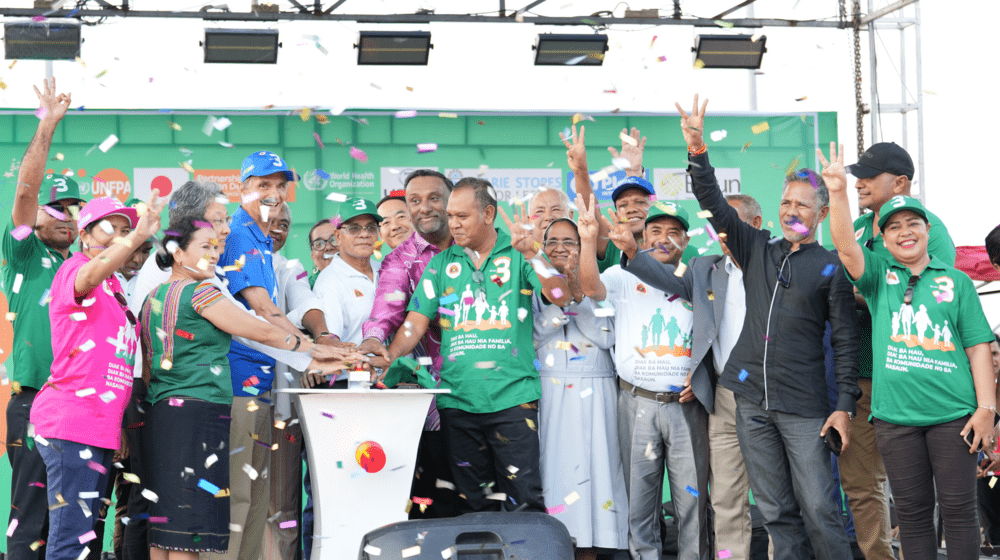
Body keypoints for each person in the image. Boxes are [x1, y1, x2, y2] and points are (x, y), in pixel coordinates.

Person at [676, 95, 860, 560]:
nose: (791, 210)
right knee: (776, 510)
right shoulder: (757, 247)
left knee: (819, 506)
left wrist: (844, 408)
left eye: (802, 204)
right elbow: (712, 202)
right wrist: (698, 151)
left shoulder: (831, 266)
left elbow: (844, 341)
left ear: (819, 214)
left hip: (805, 408)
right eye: (785, 202)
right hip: (750, 403)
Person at [140, 218, 359, 560]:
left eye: (216, 247)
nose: (214, 254)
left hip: (161, 414)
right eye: (204, 247)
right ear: (178, 253)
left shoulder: (154, 295)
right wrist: (315, 349)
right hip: (199, 412)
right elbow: (260, 331)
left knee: (166, 526)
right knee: (191, 530)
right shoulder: (202, 292)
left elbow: (148, 367)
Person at [822, 141, 996, 560]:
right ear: (882, 238)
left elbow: (978, 348)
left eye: (913, 224)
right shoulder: (881, 278)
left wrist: (986, 409)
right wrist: (836, 192)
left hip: (953, 413)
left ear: (928, 229)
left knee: (958, 510)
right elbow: (847, 248)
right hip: (894, 416)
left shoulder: (955, 281)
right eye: (894, 227)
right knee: (914, 514)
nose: (905, 232)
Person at [374, 178, 571, 514]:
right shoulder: (440, 264)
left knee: (523, 499)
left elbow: (560, 297)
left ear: (489, 213)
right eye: (450, 216)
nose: (453, 224)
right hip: (458, 403)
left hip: (513, 400)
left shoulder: (519, 253)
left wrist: (534, 254)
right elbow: (415, 323)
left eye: (462, 216)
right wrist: (388, 354)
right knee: (473, 505)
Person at [618, 193, 766, 560]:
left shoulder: (776, 267)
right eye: (720, 226)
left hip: (764, 397)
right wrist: (633, 252)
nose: (726, 232)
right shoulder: (705, 271)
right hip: (697, 402)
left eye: (732, 223)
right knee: (718, 499)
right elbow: (656, 271)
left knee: (770, 499)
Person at [30, 192, 165, 560]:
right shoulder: (76, 270)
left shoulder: (116, 287)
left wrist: (116, 424)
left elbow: (114, 364)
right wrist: (136, 237)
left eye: (126, 229)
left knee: (86, 537)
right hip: (72, 422)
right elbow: (93, 272)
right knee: (71, 538)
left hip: (100, 428)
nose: (121, 235)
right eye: (110, 228)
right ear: (85, 237)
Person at [842, 141, 956, 560]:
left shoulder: (931, 229)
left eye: (869, 177)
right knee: (859, 484)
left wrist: (866, 291)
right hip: (856, 377)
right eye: (857, 177)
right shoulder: (854, 227)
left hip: (914, 378)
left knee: (915, 490)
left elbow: (935, 299)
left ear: (901, 182)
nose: (859, 184)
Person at [578, 196, 709, 560]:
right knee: (639, 501)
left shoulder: (700, 276)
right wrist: (589, 241)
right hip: (636, 402)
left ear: (686, 239)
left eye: (674, 232)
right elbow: (590, 289)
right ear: (643, 234)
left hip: (687, 407)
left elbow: (720, 335)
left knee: (691, 502)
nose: (664, 238)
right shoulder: (622, 275)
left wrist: (703, 381)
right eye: (656, 230)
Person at [218, 151, 324, 560]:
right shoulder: (241, 233)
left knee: (256, 502)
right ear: (242, 189)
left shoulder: (260, 237)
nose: (275, 194)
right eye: (264, 185)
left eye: (281, 186)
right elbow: (262, 308)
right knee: (239, 503)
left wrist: (314, 349)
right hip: (236, 386)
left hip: (257, 387)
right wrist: (312, 353)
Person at [1, 77, 81, 560]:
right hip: (34, 404)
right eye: (57, 207)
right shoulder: (27, 254)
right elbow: (26, 190)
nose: (67, 216)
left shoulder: (85, 269)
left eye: (75, 208)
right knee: (31, 520)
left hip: (82, 410)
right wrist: (47, 126)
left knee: (72, 524)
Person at [355, 169, 458, 520]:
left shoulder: (477, 246)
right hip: (432, 404)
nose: (424, 208)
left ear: (452, 201)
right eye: (415, 201)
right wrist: (373, 340)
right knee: (431, 503)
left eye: (434, 198)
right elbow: (386, 309)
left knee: (487, 502)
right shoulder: (401, 259)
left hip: (491, 398)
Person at [533, 217, 629, 560]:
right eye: (552, 241)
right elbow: (532, 336)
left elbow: (607, 336)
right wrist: (561, 300)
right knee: (554, 476)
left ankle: (595, 547)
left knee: (597, 475)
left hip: (597, 392)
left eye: (569, 241)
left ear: (582, 246)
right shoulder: (531, 285)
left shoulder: (599, 284)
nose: (560, 248)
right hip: (550, 392)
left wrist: (579, 293)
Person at [263, 203, 330, 560]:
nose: (276, 229)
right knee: (237, 502)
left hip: (281, 405)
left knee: (282, 506)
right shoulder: (224, 267)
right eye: (269, 222)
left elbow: (307, 303)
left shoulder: (289, 268)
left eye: (284, 224)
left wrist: (323, 337)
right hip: (232, 400)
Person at [559, 124, 647, 272]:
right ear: (617, 215)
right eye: (623, 205)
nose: (631, 209)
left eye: (640, 202)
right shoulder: (612, 244)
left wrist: (633, 173)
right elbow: (591, 212)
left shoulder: (675, 246)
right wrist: (580, 171)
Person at [307, 219, 338, 288]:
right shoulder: (307, 290)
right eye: (319, 243)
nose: (328, 247)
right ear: (313, 257)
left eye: (334, 239)